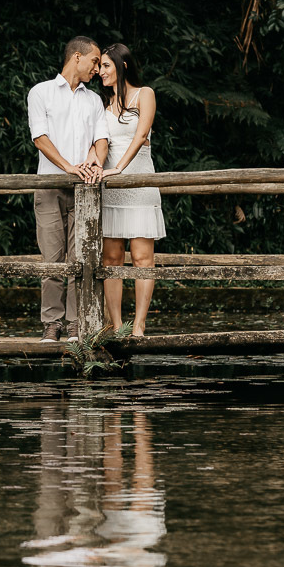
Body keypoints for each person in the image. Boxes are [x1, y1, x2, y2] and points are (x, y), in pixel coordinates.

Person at [28, 36, 109, 342]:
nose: (97, 68)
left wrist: (95, 160)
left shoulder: (93, 100)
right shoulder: (41, 92)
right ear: (77, 57)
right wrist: (68, 166)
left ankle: (76, 323)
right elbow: (40, 138)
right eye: (94, 61)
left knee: (79, 259)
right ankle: (52, 323)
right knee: (52, 259)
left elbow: (101, 139)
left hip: (84, 189)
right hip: (49, 186)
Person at [99, 43, 165, 337]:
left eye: (106, 66)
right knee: (111, 259)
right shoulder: (103, 105)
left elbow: (140, 136)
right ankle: (116, 326)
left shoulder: (144, 94)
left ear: (122, 65)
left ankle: (138, 326)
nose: (101, 72)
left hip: (139, 185)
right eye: (100, 67)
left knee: (142, 258)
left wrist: (119, 168)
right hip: (112, 190)